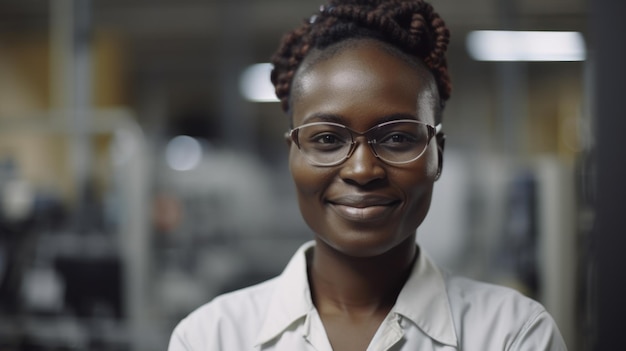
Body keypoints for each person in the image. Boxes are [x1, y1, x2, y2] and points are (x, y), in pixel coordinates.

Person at [168, 0, 568, 350]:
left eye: (396, 137)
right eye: (326, 138)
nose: (362, 169)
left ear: (437, 156)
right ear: (293, 155)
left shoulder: (512, 335)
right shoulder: (212, 338)